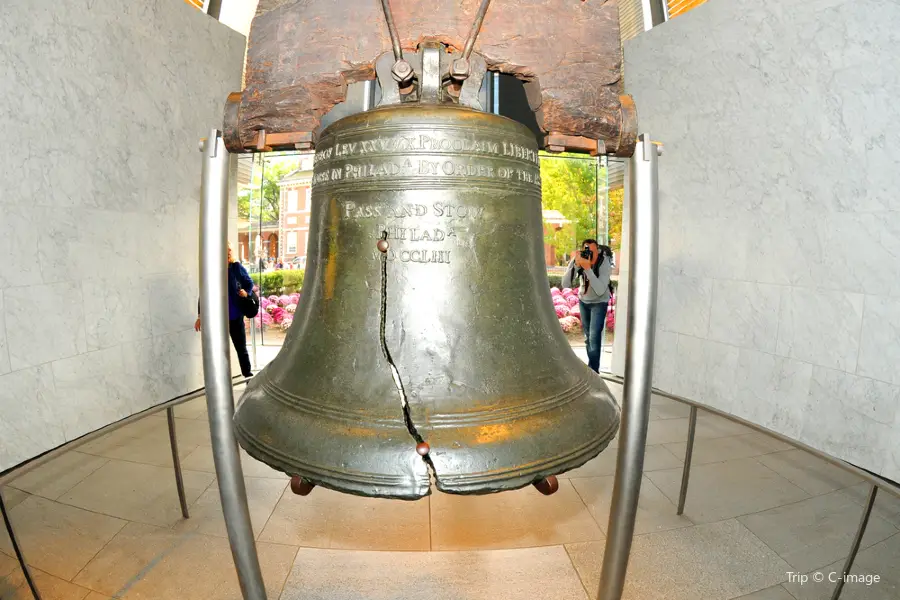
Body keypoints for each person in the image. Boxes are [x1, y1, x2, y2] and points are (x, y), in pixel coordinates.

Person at [194, 243, 255, 378]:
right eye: (224, 250)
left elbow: (249, 283)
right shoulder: (212, 271)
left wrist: (246, 292)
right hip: (218, 320)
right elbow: (203, 294)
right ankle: (221, 380)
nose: (227, 253)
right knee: (219, 351)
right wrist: (200, 316)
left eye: (228, 250)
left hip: (235, 317)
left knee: (241, 349)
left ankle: (248, 377)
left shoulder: (235, 267)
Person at [562, 238, 612, 373]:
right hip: (584, 302)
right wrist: (575, 265)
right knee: (587, 338)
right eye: (588, 251)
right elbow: (565, 284)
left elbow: (600, 289)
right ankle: (592, 368)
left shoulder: (604, 262)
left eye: (594, 252)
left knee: (594, 338)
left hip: (599, 302)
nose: (591, 255)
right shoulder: (581, 258)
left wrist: (588, 269)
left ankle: (594, 371)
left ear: (598, 250)